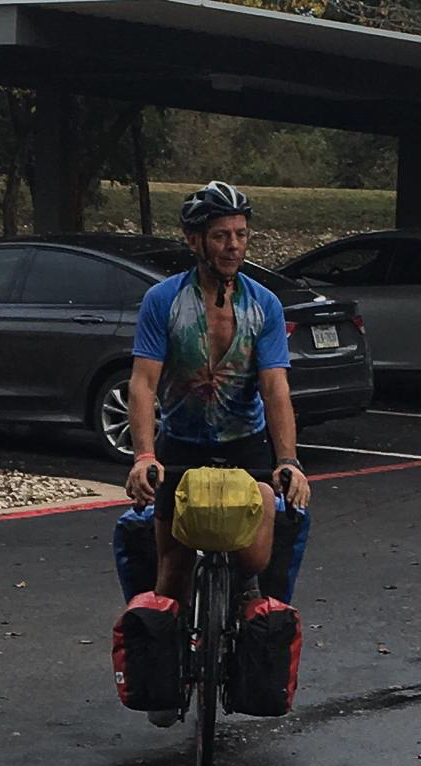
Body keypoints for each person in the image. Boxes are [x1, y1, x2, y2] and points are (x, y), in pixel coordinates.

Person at [125, 180, 310, 622]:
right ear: (195, 241)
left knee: (256, 565)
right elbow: (143, 384)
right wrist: (144, 456)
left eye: (241, 235)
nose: (233, 246)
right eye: (221, 236)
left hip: (245, 444)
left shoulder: (263, 305)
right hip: (181, 445)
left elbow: (275, 388)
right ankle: (173, 668)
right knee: (171, 574)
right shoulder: (163, 301)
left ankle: (246, 627)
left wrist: (288, 460)